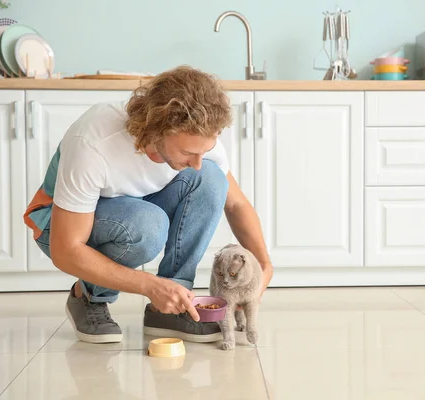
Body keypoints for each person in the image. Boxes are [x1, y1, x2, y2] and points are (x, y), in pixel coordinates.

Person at [23, 66, 273, 344]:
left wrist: (264, 264)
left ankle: (170, 307)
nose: (197, 161)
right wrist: (149, 286)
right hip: (56, 226)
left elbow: (236, 205)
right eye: (189, 153)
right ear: (157, 130)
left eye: (203, 151)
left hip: (136, 209)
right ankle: (89, 297)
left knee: (212, 178)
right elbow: (65, 249)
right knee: (147, 226)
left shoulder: (198, 141)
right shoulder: (94, 141)